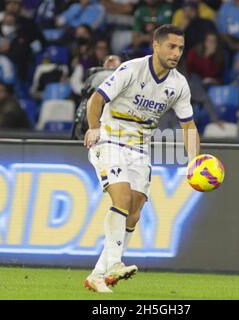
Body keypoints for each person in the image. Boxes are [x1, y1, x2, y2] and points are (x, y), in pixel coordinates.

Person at [83, 24, 200, 293]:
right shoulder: (131, 69)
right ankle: (114, 264)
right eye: (171, 46)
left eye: (180, 48)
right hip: (110, 138)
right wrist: (94, 128)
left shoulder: (179, 84)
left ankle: (97, 275)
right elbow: (96, 99)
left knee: (133, 214)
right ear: (156, 46)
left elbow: (189, 126)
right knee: (121, 199)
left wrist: (194, 160)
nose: (176, 53)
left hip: (140, 148)